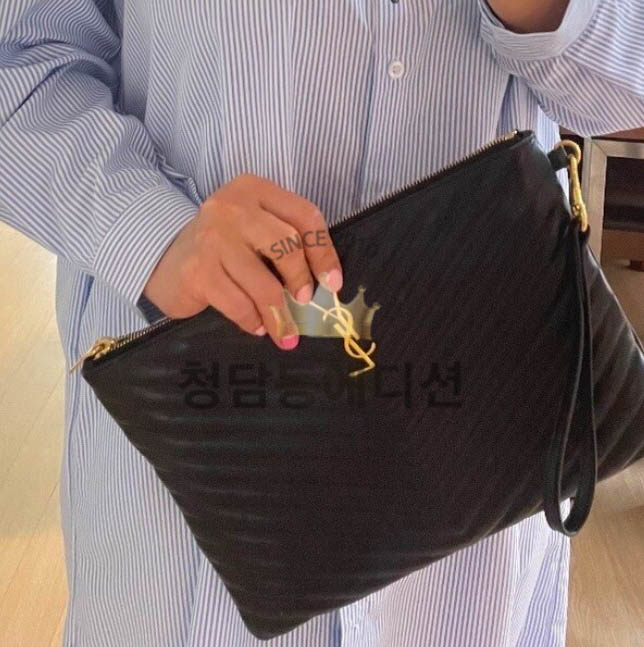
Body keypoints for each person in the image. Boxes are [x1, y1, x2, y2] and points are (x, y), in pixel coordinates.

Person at [1, 1, 643, 645]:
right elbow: (19, 61)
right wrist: (150, 228)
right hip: (208, 442)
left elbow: (624, 93)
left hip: (489, 449)